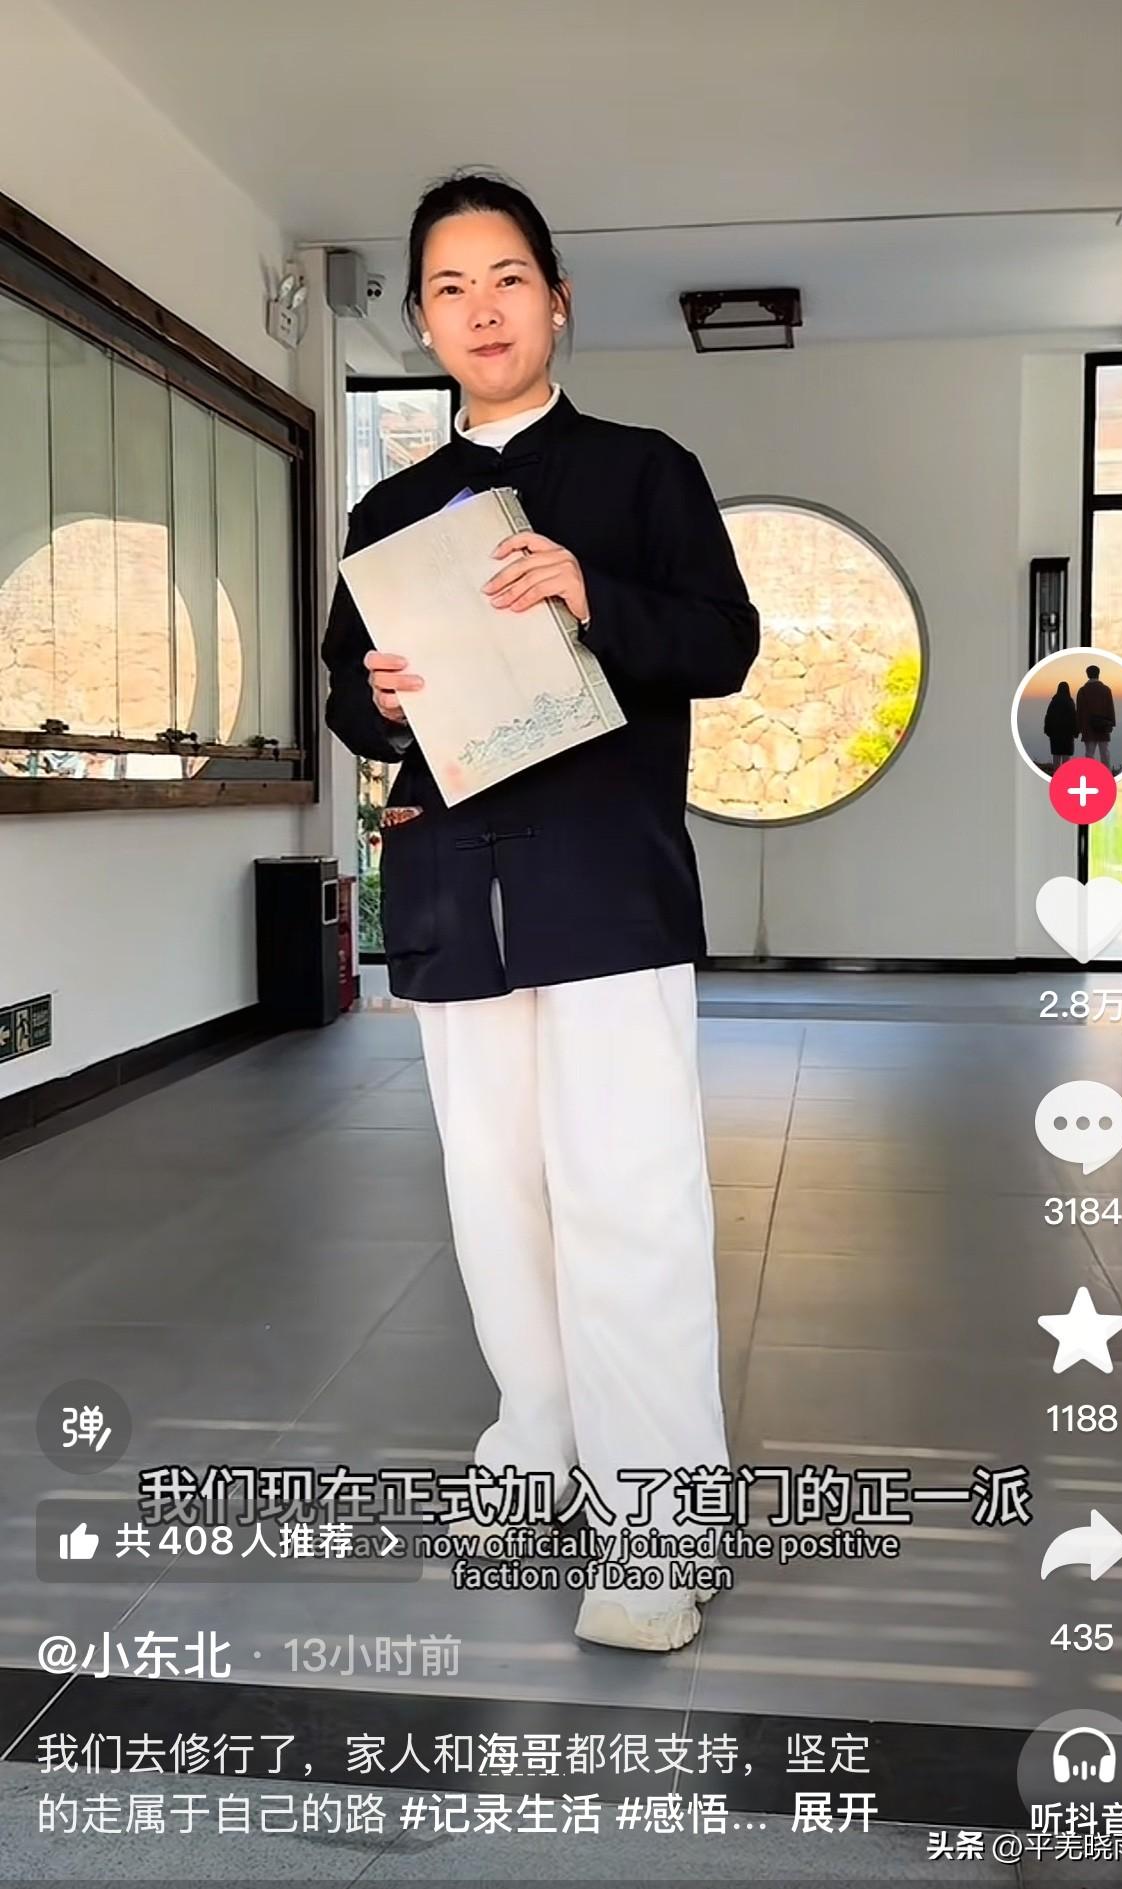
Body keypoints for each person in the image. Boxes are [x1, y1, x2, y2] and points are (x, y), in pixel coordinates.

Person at [320, 169, 761, 1654]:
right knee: (494, 1197)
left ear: (557, 300)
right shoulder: (388, 513)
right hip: (456, 887)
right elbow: (349, 695)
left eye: (506, 277)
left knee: (629, 1197)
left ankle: (660, 1526)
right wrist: (377, 704)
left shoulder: (643, 473)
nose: (481, 309)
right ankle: (535, 1448)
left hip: (603, 885)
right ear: (422, 318)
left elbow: (724, 644)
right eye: (448, 287)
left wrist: (590, 594)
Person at [1076, 663, 1116, 771]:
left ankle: (1091, 774)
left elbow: (1079, 711)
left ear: (1087, 675)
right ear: (1098, 674)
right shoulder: (1106, 689)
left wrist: (1078, 727)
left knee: (1089, 753)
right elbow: (1110, 708)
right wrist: (1112, 723)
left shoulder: (1082, 691)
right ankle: (1106, 774)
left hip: (1088, 727)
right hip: (1103, 725)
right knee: (1105, 752)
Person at [1041, 679, 1077, 772]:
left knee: (1056, 757)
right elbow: (1074, 718)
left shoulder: (1054, 702)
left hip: (1055, 734)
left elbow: (1048, 717)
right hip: (1067, 735)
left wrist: (1048, 730)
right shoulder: (1070, 702)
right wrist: (1076, 732)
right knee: (1066, 757)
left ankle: (1056, 775)